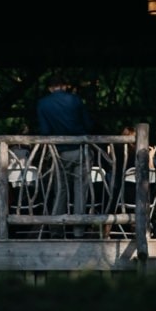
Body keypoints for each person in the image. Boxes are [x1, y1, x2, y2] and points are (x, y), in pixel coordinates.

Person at [35, 77, 93, 214]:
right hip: (80, 149)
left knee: (60, 189)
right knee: (80, 190)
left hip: (59, 152)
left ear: (50, 88)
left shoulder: (42, 104)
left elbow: (45, 131)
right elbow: (89, 124)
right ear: (65, 86)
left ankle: (57, 228)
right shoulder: (75, 100)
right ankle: (78, 230)